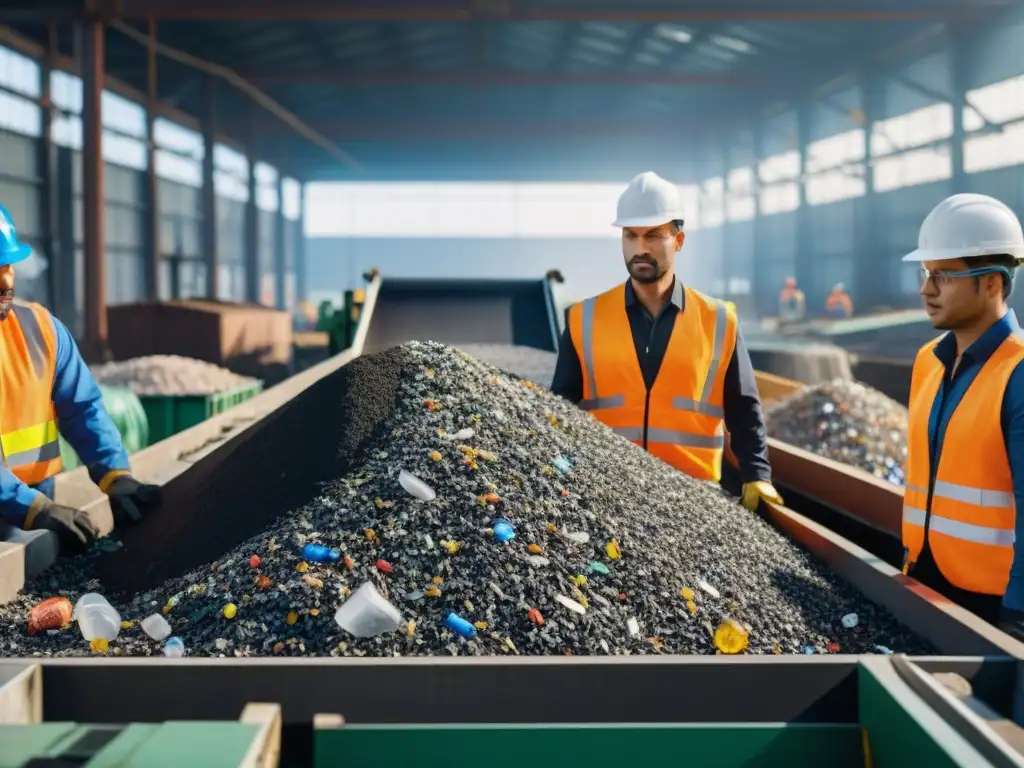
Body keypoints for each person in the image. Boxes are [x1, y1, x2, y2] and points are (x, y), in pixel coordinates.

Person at [549, 172, 782, 512]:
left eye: (654, 236)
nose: (640, 248)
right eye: (631, 235)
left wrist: (756, 474)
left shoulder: (718, 321)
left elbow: (743, 408)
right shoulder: (583, 319)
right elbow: (560, 409)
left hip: (695, 499)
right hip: (605, 495)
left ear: (679, 240)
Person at [0, 204, 161, 554]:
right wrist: (35, 509)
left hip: (27, 522)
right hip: (29, 513)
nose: (6, 282)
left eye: (7, 265)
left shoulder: (39, 330)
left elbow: (82, 407)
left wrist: (115, 475)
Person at [900, 193, 1024, 639]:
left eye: (943, 277)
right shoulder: (927, 361)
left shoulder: (1019, 372)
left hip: (992, 605)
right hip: (923, 578)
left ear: (991, 283)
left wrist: (1019, 617)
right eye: (926, 274)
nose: (925, 290)